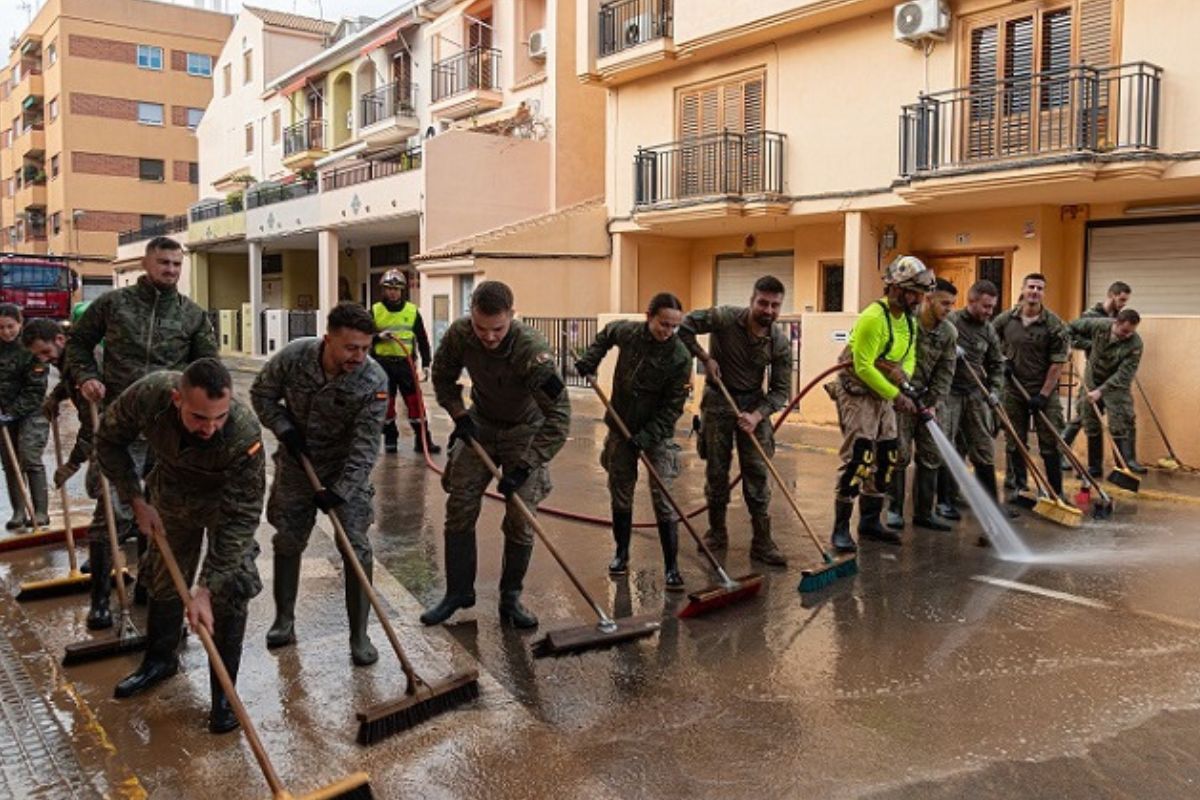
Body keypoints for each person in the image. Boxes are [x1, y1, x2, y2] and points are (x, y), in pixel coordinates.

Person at [96, 360, 265, 735]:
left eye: (218, 417)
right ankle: (159, 660)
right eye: (199, 417)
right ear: (177, 399)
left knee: (231, 587)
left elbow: (243, 514)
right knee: (162, 577)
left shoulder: (243, 432)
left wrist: (206, 588)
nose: (210, 428)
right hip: (170, 495)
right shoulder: (150, 394)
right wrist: (136, 500)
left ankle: (224, 694)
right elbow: (108, 439)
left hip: (225, 505)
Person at [66, 236, 218, 630]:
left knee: (161, 507)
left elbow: (207, 368)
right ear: (146, 264)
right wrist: (87, 377)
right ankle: (100, 598)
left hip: (169, 427)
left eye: (175, 265)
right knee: (112, 511)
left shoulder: (192, 316)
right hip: (121, 421)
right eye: (163, 262)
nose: (170, 270)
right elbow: (78, 345)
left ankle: (149, 585)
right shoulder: (114, 305)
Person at [420, 281, 571, 629]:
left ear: (512, 317)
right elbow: (442, 377)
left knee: (520, 516)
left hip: (525, 430)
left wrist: (527, 464)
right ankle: (458, 592)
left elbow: (560, 416)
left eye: (497, 329)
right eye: (481, 328)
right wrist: (459, 415)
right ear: (470, 315)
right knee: (459, 504)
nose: (488, 337)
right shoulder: (460, 335)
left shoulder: (532, 351)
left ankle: (511, 597)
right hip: (481, 425)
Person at [251, 302, 387, 666]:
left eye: (365, 347)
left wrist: (340, 491)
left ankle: (359, 635)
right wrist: (283, 428)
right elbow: (261, 394)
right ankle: (284, 620)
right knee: (288, 539)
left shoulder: (373, 380)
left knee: (356, 548)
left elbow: (365, 445)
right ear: (328, 340)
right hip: (297, 464)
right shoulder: (295, 357)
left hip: (346, 470)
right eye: (350, 347)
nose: (358, 356)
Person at [574, 293, 692, 589]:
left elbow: (673, 407)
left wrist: (647, 436)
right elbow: (606, 335)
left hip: (657, 435)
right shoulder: (627, 332)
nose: (668, 331)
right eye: (663, 324)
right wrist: (590, 360)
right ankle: (621, 554)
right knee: (620, 491)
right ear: (649, 316)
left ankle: (672, 568)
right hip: (621, 427)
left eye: (674, 326)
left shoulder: (679, 357)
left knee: (663, 499)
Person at [677, 276, 792, 567]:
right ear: (752, 300)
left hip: (754, 404)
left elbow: (780, 392)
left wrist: (756, 416)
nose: (768, 310)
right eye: (763, 303)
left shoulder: (778, 342)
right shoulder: (724, 317)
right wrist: (704, 357)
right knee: (717, 472)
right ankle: (717, 533)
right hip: (719, 400)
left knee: (757, 474)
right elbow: (685, 326)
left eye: (775, 305)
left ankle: (762, 542)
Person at [825, 256, 934, 552]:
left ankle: (870, 522)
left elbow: (909, 356)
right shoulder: (874, 318)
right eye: (914, 292)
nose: (918, 299)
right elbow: (862, 366)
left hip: (883, 392)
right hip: (858, 391)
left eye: (921, 293)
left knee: (886, 455)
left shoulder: (909, 321)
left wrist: (904, 378)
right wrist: (896, 395)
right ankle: (840, 529)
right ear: (896, 289)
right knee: (859, 457)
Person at [940, 280, 1013, 538]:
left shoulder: (989, 330)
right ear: (970, 302)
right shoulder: (950, 323)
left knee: (983, 447)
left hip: (974, 394)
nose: (989, 312)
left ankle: (991, 504)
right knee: (948, 446)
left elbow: (996, 364)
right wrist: (950, 347)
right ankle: (945, 501)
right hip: (949, 392)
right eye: (985, 306)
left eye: (992, 307)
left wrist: (994, 390)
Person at [886, 278, 958, 531]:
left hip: (927, 401)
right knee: (900, 454)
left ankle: (924, 513)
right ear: (929, 300)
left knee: (931, 455)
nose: (949, 309)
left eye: (952, 305)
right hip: (900, 399)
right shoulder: (906, 322)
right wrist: (899, 395)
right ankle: (893, 510)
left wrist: (934, 403)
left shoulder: (949, 332)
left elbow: (946, 370)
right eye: (944, 303)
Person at [993, 273, 1071, 503]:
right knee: (1016, 441)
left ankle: (1056, 492)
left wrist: (1044, 395)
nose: (1035, 291)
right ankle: (1020, 487)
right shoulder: (1005, 320)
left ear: (1043, 293)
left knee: (1050, 442)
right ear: (1023, 289)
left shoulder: (1055, 325)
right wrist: (1000, 361)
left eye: (1039, 288)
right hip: (1013, 390)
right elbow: (990, 341)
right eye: (1031, 287)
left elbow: (1057, 363)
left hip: (1042, 391)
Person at [1061, 281, 1133, 466]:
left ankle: (1126, 461)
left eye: (1126, 301)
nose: (1124, 303)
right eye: (1122, 299)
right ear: (1111, 295)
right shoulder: (1091, 316)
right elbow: (1074, 336)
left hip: (1112, 371)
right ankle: (1060, 453)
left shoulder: (1120, 317)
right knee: (1082, 414)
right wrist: (1094, 346)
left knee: (1118, 414)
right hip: (1093, 372)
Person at [1067, 308, 1145, 476]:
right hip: (1092, 379)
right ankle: (1095, 467)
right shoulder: (1099, 325)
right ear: (1115, 323)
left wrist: (1100, 391)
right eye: (1124, 331)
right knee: (1090, 421)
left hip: (1115, 385)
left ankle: (1123, 467)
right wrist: (1070, 344)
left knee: (1121, 420)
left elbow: (1124, 375)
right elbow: (1069, 328)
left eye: (1131, 332)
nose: (1127, 335)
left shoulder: (1135, 344)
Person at [370, 269, 438, 455]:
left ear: (402, 290)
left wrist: (426, 363)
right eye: (389, 289)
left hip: (405, 364)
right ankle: (391, 437)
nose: (392, 292)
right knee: (386, 404)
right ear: (383, 290)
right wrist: (377, 337)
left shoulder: (412, 311)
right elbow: (363, 336)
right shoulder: (375, 311)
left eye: (396, 289)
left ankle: (423, 440)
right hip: (382, 365)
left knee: (415, 402)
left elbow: (422, 339)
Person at [22, 317, 89, 489]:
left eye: (45, 352)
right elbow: (68, 380)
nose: (43, 360)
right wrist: (55, 397)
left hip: (130, 431)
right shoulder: (68, 356)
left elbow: (94, 423)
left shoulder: (82, 362)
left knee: (104, 487)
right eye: (38, 355)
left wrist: (73, 463)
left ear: (60, 339)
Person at [0, 304, 49, 532]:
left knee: (29, 457)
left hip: (32, 412)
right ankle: (19, 511)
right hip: (3, 415)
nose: (6, 332)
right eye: (1, 327)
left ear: (20, 323)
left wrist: (11, 412)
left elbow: (35, 390)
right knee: (11, 463)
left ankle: (40, 511)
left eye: (10, 326)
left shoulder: (31, 348)